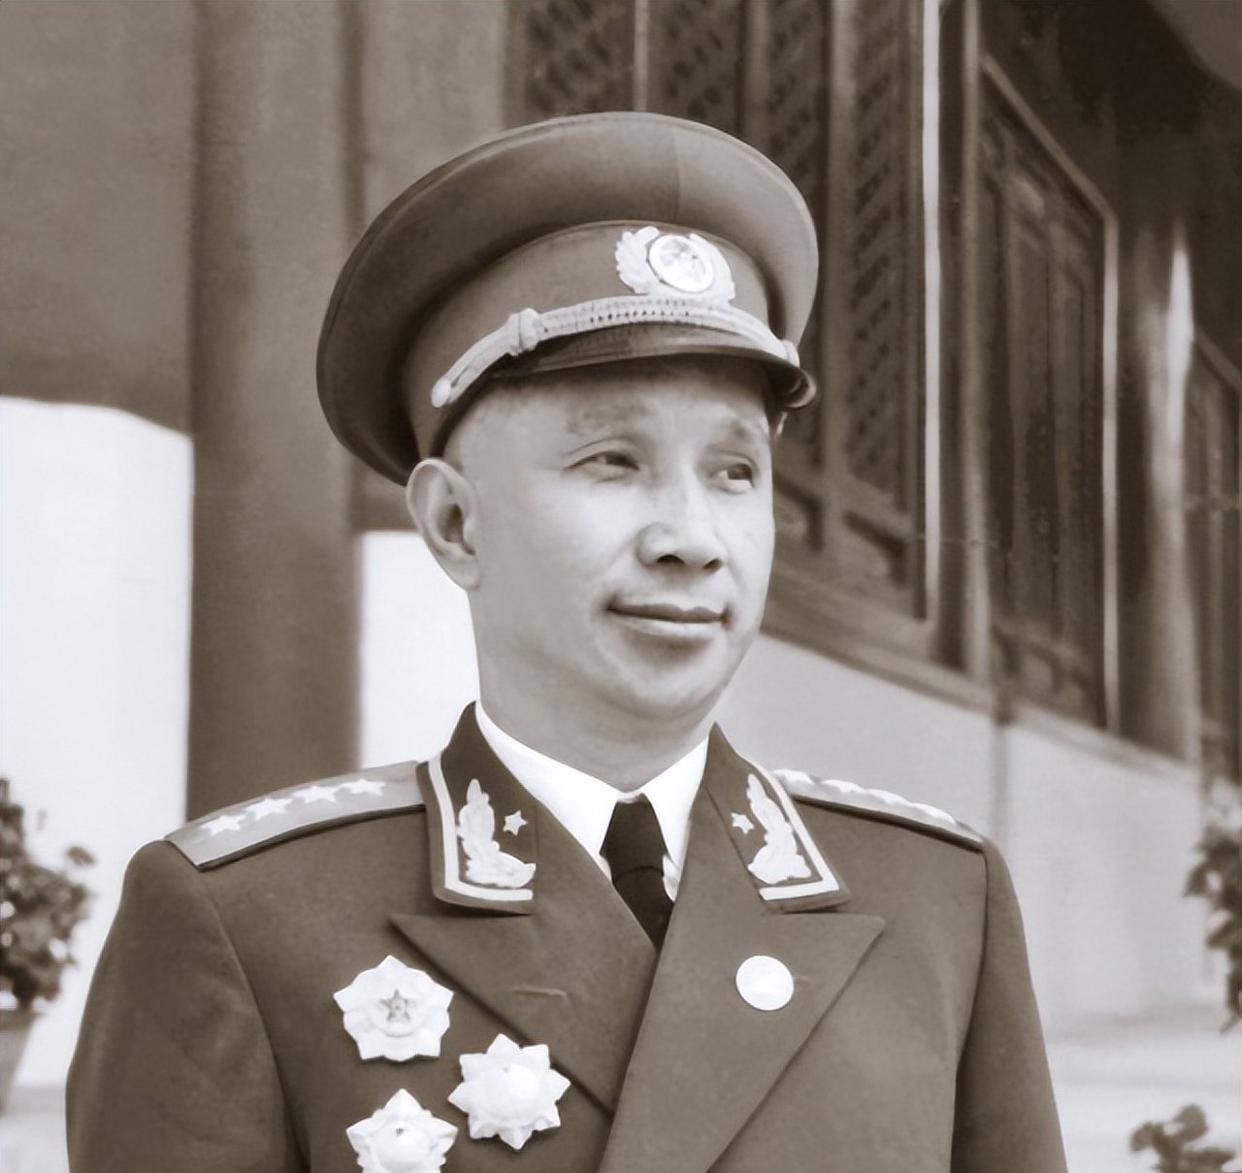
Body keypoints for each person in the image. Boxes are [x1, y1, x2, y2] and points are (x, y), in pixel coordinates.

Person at [67, 112, 1067, 1173]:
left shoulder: (934, 901)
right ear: (456, 523)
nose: (692, 539)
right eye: (612, 462)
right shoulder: (250, 922)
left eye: (735, 472)